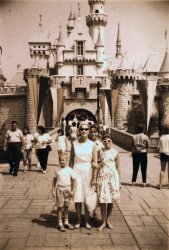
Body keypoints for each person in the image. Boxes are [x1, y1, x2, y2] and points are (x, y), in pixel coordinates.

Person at [69, 122, 98, 229]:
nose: (84, 131)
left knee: (87, 198)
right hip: (76, 172)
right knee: (77, 197)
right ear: (79, 131)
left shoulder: (93, 145)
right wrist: (70, 174)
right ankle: (78, 220)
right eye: (82, 129)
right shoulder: (74, 144)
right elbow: (71, 160)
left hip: (88, 172)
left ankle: (86, 221)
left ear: (89, 131)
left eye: (86, 129)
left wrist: (94, 178)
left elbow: (95, 162)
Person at [97, 134, 120, 231]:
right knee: (103, 200)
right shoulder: (100, 152)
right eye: (105, 141)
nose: (107, 142)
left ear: (112, 141)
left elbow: (118, 167)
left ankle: (108, 220)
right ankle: (103, 221)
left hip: (113, 177)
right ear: (102, 142)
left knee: (111, 200)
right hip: (103, 176)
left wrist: (119, 182)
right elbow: (98, 164)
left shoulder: (116, 153)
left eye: (109, 140)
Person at [52, 153, 77, 232]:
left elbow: (74, 180)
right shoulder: (57, 170)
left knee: (66, 207)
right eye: (60, 160)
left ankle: (66, 222)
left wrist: (73, 190)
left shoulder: (70, 170)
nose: (61, 162)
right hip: (60, 189)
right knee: (59, 207)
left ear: (67, 160)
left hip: (68, 189)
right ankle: (60, 223)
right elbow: (54, 181)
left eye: (63, 160)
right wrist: (53, 190)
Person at [89, 124, 104, 221]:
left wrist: (99, 167)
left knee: (96, 189)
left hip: (97, 168)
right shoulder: (86, 142)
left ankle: (94, 211)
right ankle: (87, 210)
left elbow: (103, 158)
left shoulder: (100, 144)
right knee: (88, 188)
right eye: (92, 132)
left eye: (95, 132)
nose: (93, 134)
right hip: (88, 168)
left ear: (98, 133)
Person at [158, 125, 169, 189]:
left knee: (162, 169)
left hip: (163, 154)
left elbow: (158, 147)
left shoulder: (161, 137)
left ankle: (160, 184)